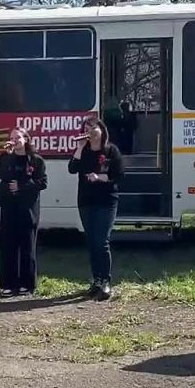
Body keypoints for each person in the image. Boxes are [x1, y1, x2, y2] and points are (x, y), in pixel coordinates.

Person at [67, 117, 124, 300]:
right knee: (91, 242)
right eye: (86, 128)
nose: (89, 131)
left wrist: (100, 178)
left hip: (106, 201)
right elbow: (72, 169)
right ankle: (96, 280)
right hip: (86, 201)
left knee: (101, 241)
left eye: (93, 127)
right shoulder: (83, 151)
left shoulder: (111, 150)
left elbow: (119, 175)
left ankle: (106, 281)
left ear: (101, 129)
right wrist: (79, 148)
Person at [0, 127, 47, 296]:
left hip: (28, 209)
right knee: (8, 245)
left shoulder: (36, 160)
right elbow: (1, 175)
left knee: (27, 246)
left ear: (26, 139)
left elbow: (42, 182)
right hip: (9, 208)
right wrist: (7, 157)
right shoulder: (6, 157)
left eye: (17, 137)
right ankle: (8, 284)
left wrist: (22, 186)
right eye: (12, 137)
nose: (14, 140)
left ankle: (27, 284)